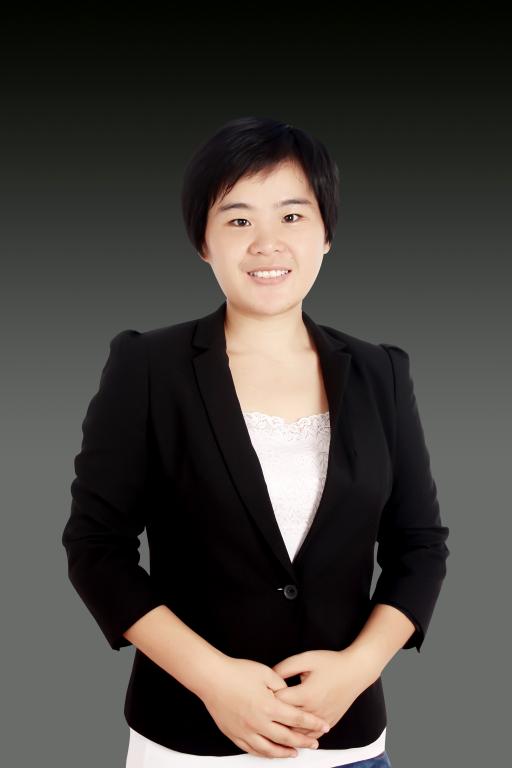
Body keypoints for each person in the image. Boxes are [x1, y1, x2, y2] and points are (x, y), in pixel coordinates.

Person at [61, 116, 449, 767]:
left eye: (292, 216)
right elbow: (97, 549)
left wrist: (357, 669)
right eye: (238, 219)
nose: (268, 243)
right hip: (188, 743)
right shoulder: (148, 366)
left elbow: (420, 546)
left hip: (346, 744)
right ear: (203, 241)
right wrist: (215, 682)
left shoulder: (380, 371)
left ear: (326, 233)